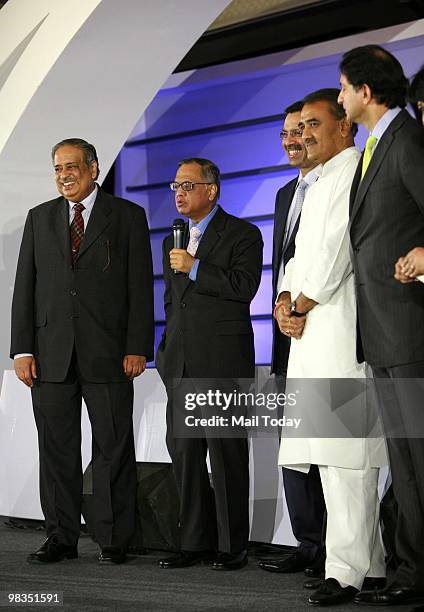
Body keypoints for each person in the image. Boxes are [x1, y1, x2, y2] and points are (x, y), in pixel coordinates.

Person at [11, 138, 154, 565]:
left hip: (110, 354)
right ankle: (61, 537)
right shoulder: (40, 218)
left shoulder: (127, 216)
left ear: (93, 167)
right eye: (57, 169)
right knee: (56, 449)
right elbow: (26, 289)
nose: (64, 175)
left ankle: (114, 540)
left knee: (112, 447)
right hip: (51, 355)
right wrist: (22, 350)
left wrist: (136, 346)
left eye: (71, 167)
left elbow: (139, 288)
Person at [275, 89, 387, 606]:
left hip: (339, 330)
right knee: (327, 459)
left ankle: (347, 572)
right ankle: (371, 564)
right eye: (299, 129)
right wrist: (282, 301)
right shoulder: (315, 181)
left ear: (344, 125)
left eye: (314, 125)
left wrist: (300, 303)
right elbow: (298, 255)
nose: (304, 136)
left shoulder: (353, 171)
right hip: (310, 333)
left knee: (348, 462)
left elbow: (338, 249)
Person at [338, 44, 424, 607]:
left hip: (411, 326)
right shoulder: (374, 145)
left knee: (419, 457)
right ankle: (412, 572)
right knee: (406, 461)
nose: (341, 97)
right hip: (384, 330)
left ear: (366, 92)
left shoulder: (409, 140)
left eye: (344, 88)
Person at [155, 157, 263, 570]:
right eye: (175, 186)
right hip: (180, 365)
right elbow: (173, 303)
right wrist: (165, 352)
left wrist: (196, 266)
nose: (179, 193)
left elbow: (243, 288)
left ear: (211, 190)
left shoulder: (243, 234)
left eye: (186, 185)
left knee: (226, 457)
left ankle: (232, 546)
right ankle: (193, 542)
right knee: (185, 456)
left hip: (222, 364)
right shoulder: (172, 240)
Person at [259, 101, 326, 578]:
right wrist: (282, 305)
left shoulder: (339, 183)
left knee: (330, 443)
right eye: (285, 133)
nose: (291, 140)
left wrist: (301, 307)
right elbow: (286, 263)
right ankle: (308, 542)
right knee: (294, 444)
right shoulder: (286, 193)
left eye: (300, 130)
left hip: (324, 329)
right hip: (287, 334)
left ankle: (334, 547)